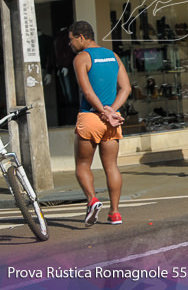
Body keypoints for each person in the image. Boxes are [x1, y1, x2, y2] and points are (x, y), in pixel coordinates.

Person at [70, 21, 131, 226]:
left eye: (71, 40)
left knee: (82, 165)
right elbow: (126, 88)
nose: (70, 44)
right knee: (111, 166)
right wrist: (112, 110)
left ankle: (92, 200)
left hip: (90, 116)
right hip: (112, 121)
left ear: (80, 37)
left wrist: (102, 111)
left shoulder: (81, 58)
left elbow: (87, 91)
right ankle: (115, 213)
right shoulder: (113, 56)